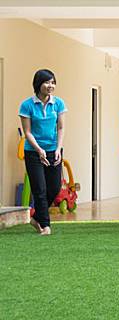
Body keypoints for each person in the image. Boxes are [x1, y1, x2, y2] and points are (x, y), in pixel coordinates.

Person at [19, 69, 67, 236]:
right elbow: (28, 132)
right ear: (38, 84)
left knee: (54, 188)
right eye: (47, 82)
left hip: (54, 150)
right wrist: (39, 150)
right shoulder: (27, 105)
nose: (50, 85)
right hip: (33, 151)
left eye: (53, 82)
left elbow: (60, 127)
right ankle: (45, 226)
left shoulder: (58, 103)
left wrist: (58, 148)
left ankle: (35, 217)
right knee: (39, 188)